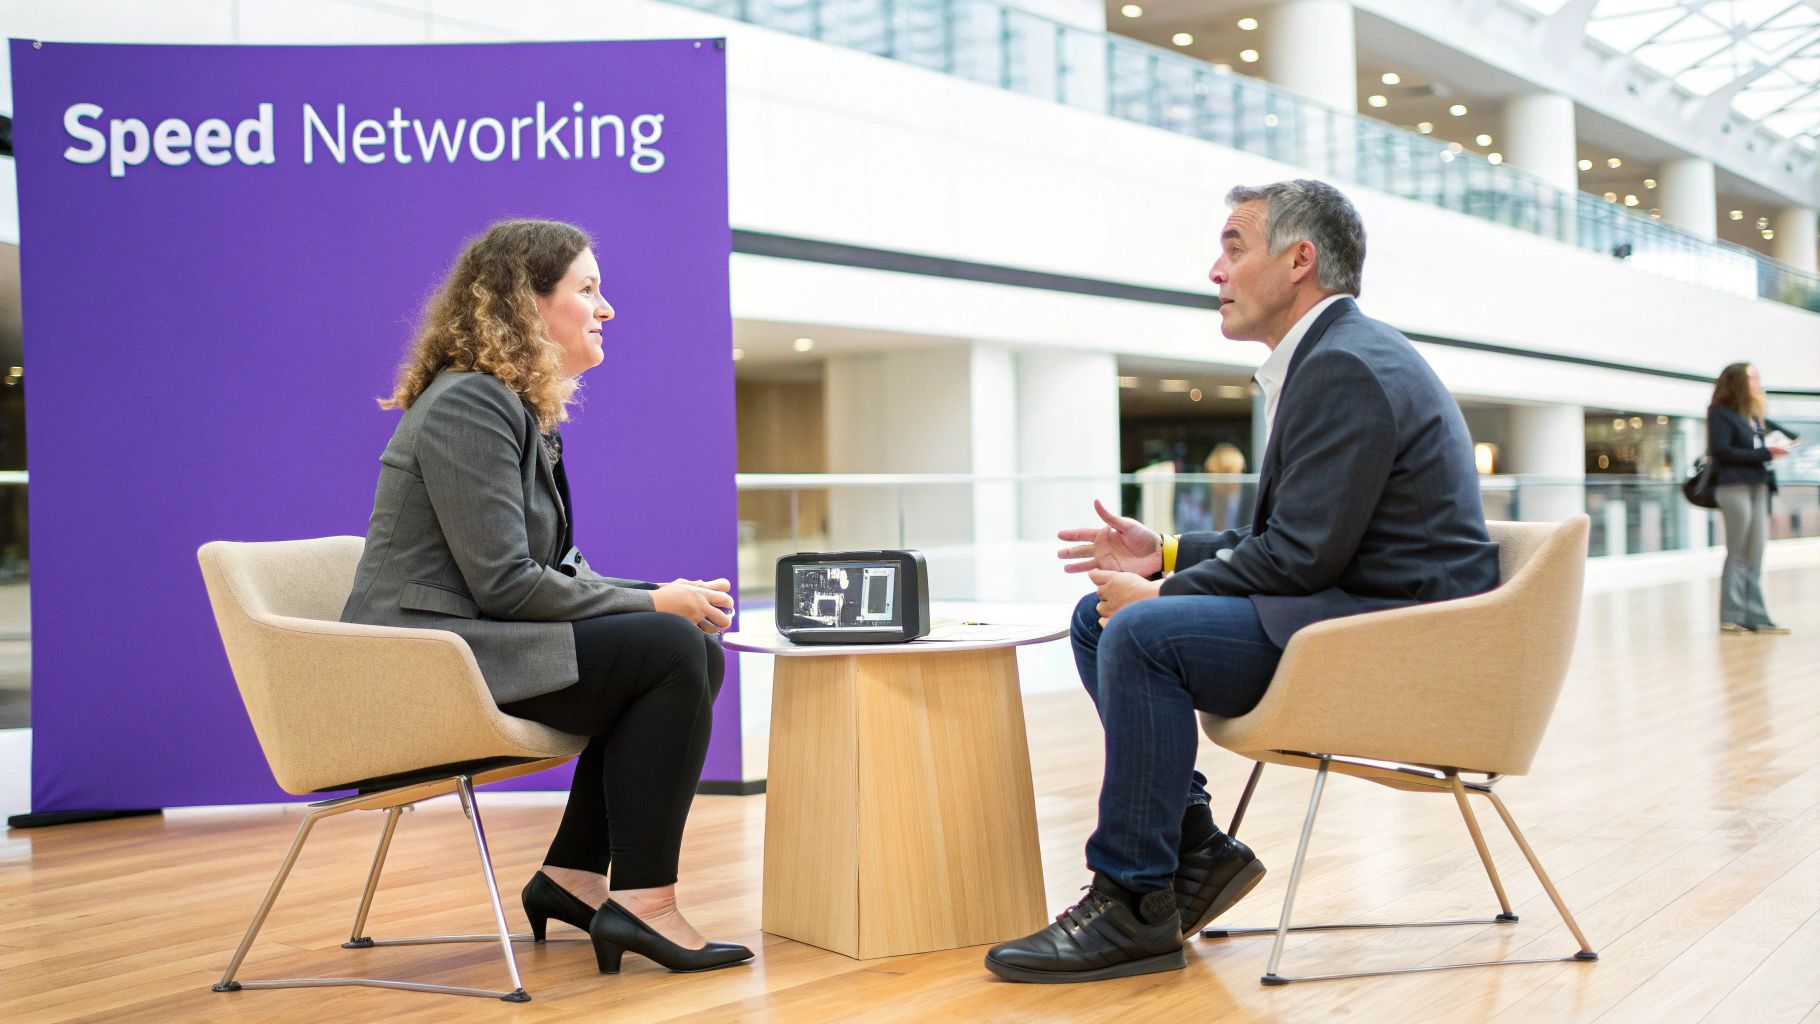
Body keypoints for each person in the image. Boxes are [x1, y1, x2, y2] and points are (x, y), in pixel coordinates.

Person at [984, 180, 1500, 983]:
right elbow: (1291, 543)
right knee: (1102, 618)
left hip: (1390, 643)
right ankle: (1194, 847)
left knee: (1142, 632)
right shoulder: (1336, 356)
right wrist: (1164, 554)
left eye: (1233, 247)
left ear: (1299, 260)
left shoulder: (1346, 368)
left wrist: (1160, 599)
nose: (1215, 270)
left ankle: (1133, 897)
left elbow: (1300, 559)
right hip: (1354, 613)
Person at [340, 219, 754, 975]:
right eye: (587, 289)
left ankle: (573, 875)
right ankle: (642, 903)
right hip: (418, 668)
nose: (607, 308)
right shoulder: (470, 403)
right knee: (668, 648)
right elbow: (505, 583)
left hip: (472, 646)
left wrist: (665, 595)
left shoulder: (516, 409)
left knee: (683, 642)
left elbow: (557, 571)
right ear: (524, 305)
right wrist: (656, 607)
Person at [1707, 362, 1798, 635]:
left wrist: (1775, 442)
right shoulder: (1720, 413)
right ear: (1737, 381)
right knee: (1737, 551)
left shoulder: (1753, 414)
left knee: (1755, 553)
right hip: (1734, 486)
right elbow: (1721, 450)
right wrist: (1765, 453)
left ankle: (1757, 617)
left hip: (1760, 486)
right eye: (1752, 377)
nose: (1758, 381)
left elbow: (1788, 436)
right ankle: (1731, 616)